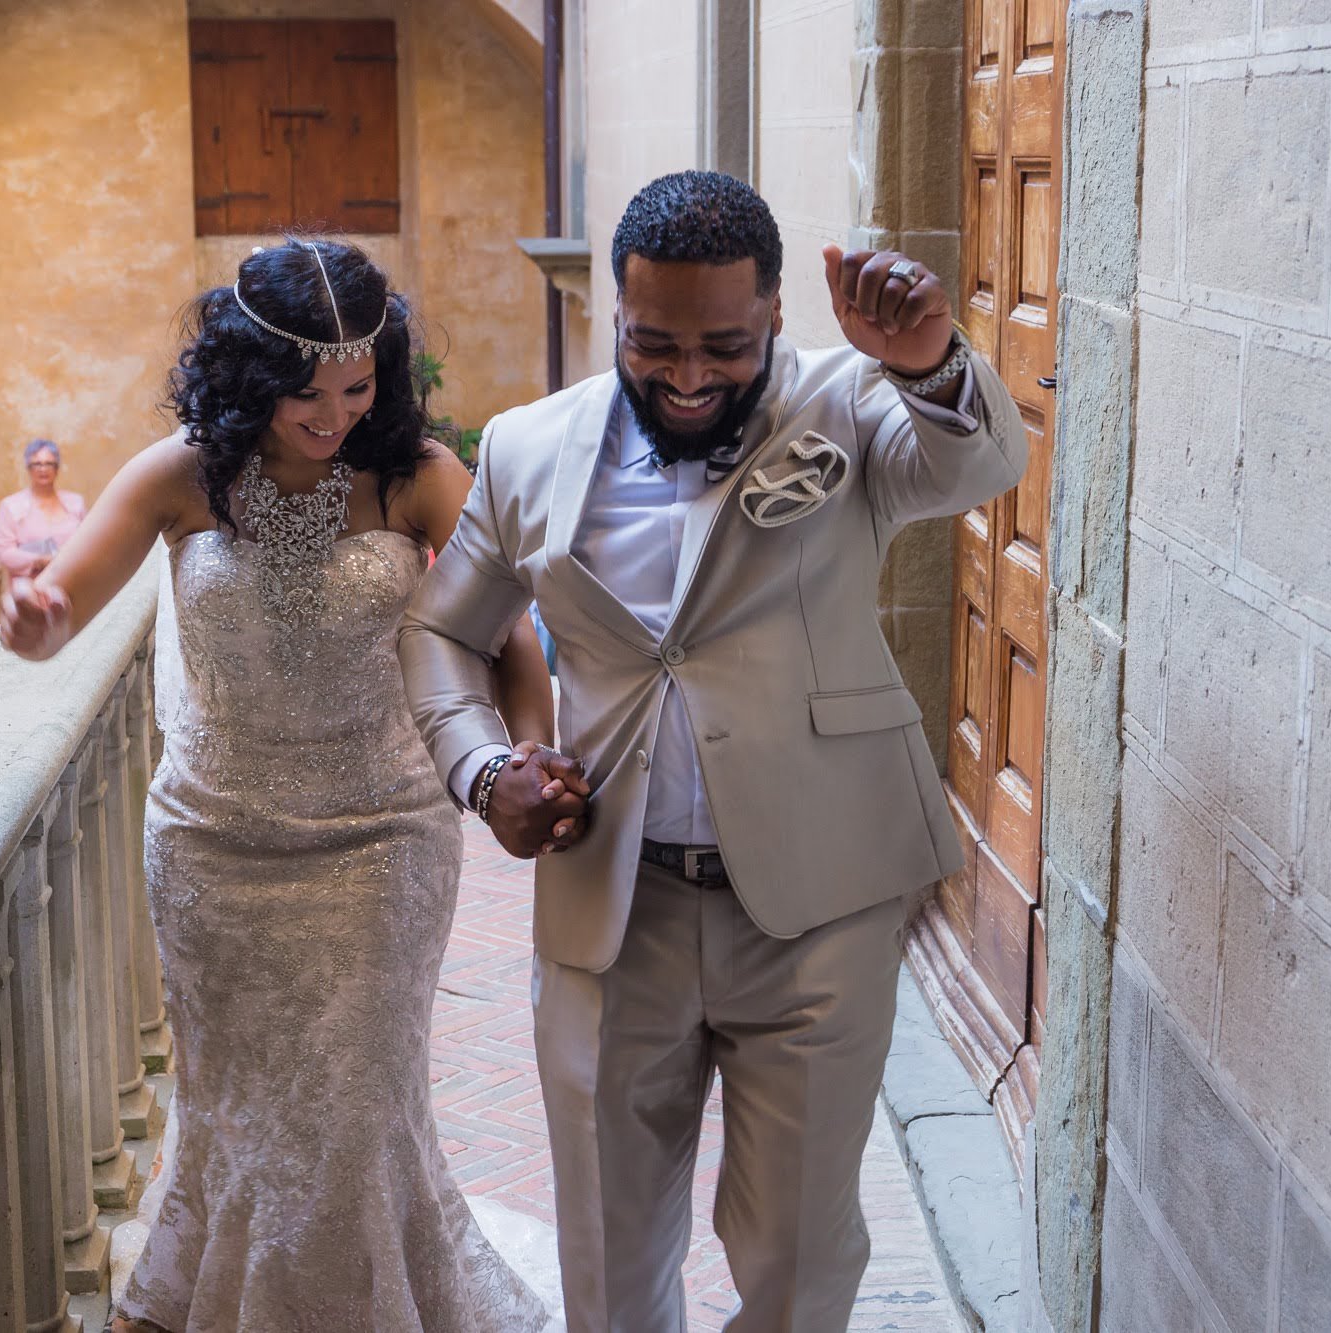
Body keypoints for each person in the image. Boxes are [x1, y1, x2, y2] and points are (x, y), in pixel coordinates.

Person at [400, 171, 1030, 1331]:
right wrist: (483, 771)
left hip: (816, 903)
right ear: (616, 313)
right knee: (606, 1252)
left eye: (725, 347)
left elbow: (978, 465)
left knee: (797, 1254)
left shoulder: (850, 404)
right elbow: (443, 630)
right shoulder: (527, 448)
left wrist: (931, 364)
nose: (687, 376)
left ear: (775, 313)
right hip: (610, 906)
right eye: (655, 344)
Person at [0, 238, 553, 1332]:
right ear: (251, 376)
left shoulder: (419, 475)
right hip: (215, 845)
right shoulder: (180, 476)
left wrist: (525, 757)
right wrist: (32, 620)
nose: (336, 414)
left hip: (383, 841)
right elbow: (58, 611)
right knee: (238, 1108)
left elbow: (515, 640)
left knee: (361, 1104)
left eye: (358, 387)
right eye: (308, 393)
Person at [0, 438, 86, 577]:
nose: (43, 469)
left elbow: (88, 542)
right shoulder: (11, 506)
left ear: (57, 468)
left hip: (73, 578)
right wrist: (39, 561)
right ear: (28, 468)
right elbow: (2, 552)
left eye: (49, 464)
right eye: (37, 464)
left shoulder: (75, 503)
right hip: (30, 584)